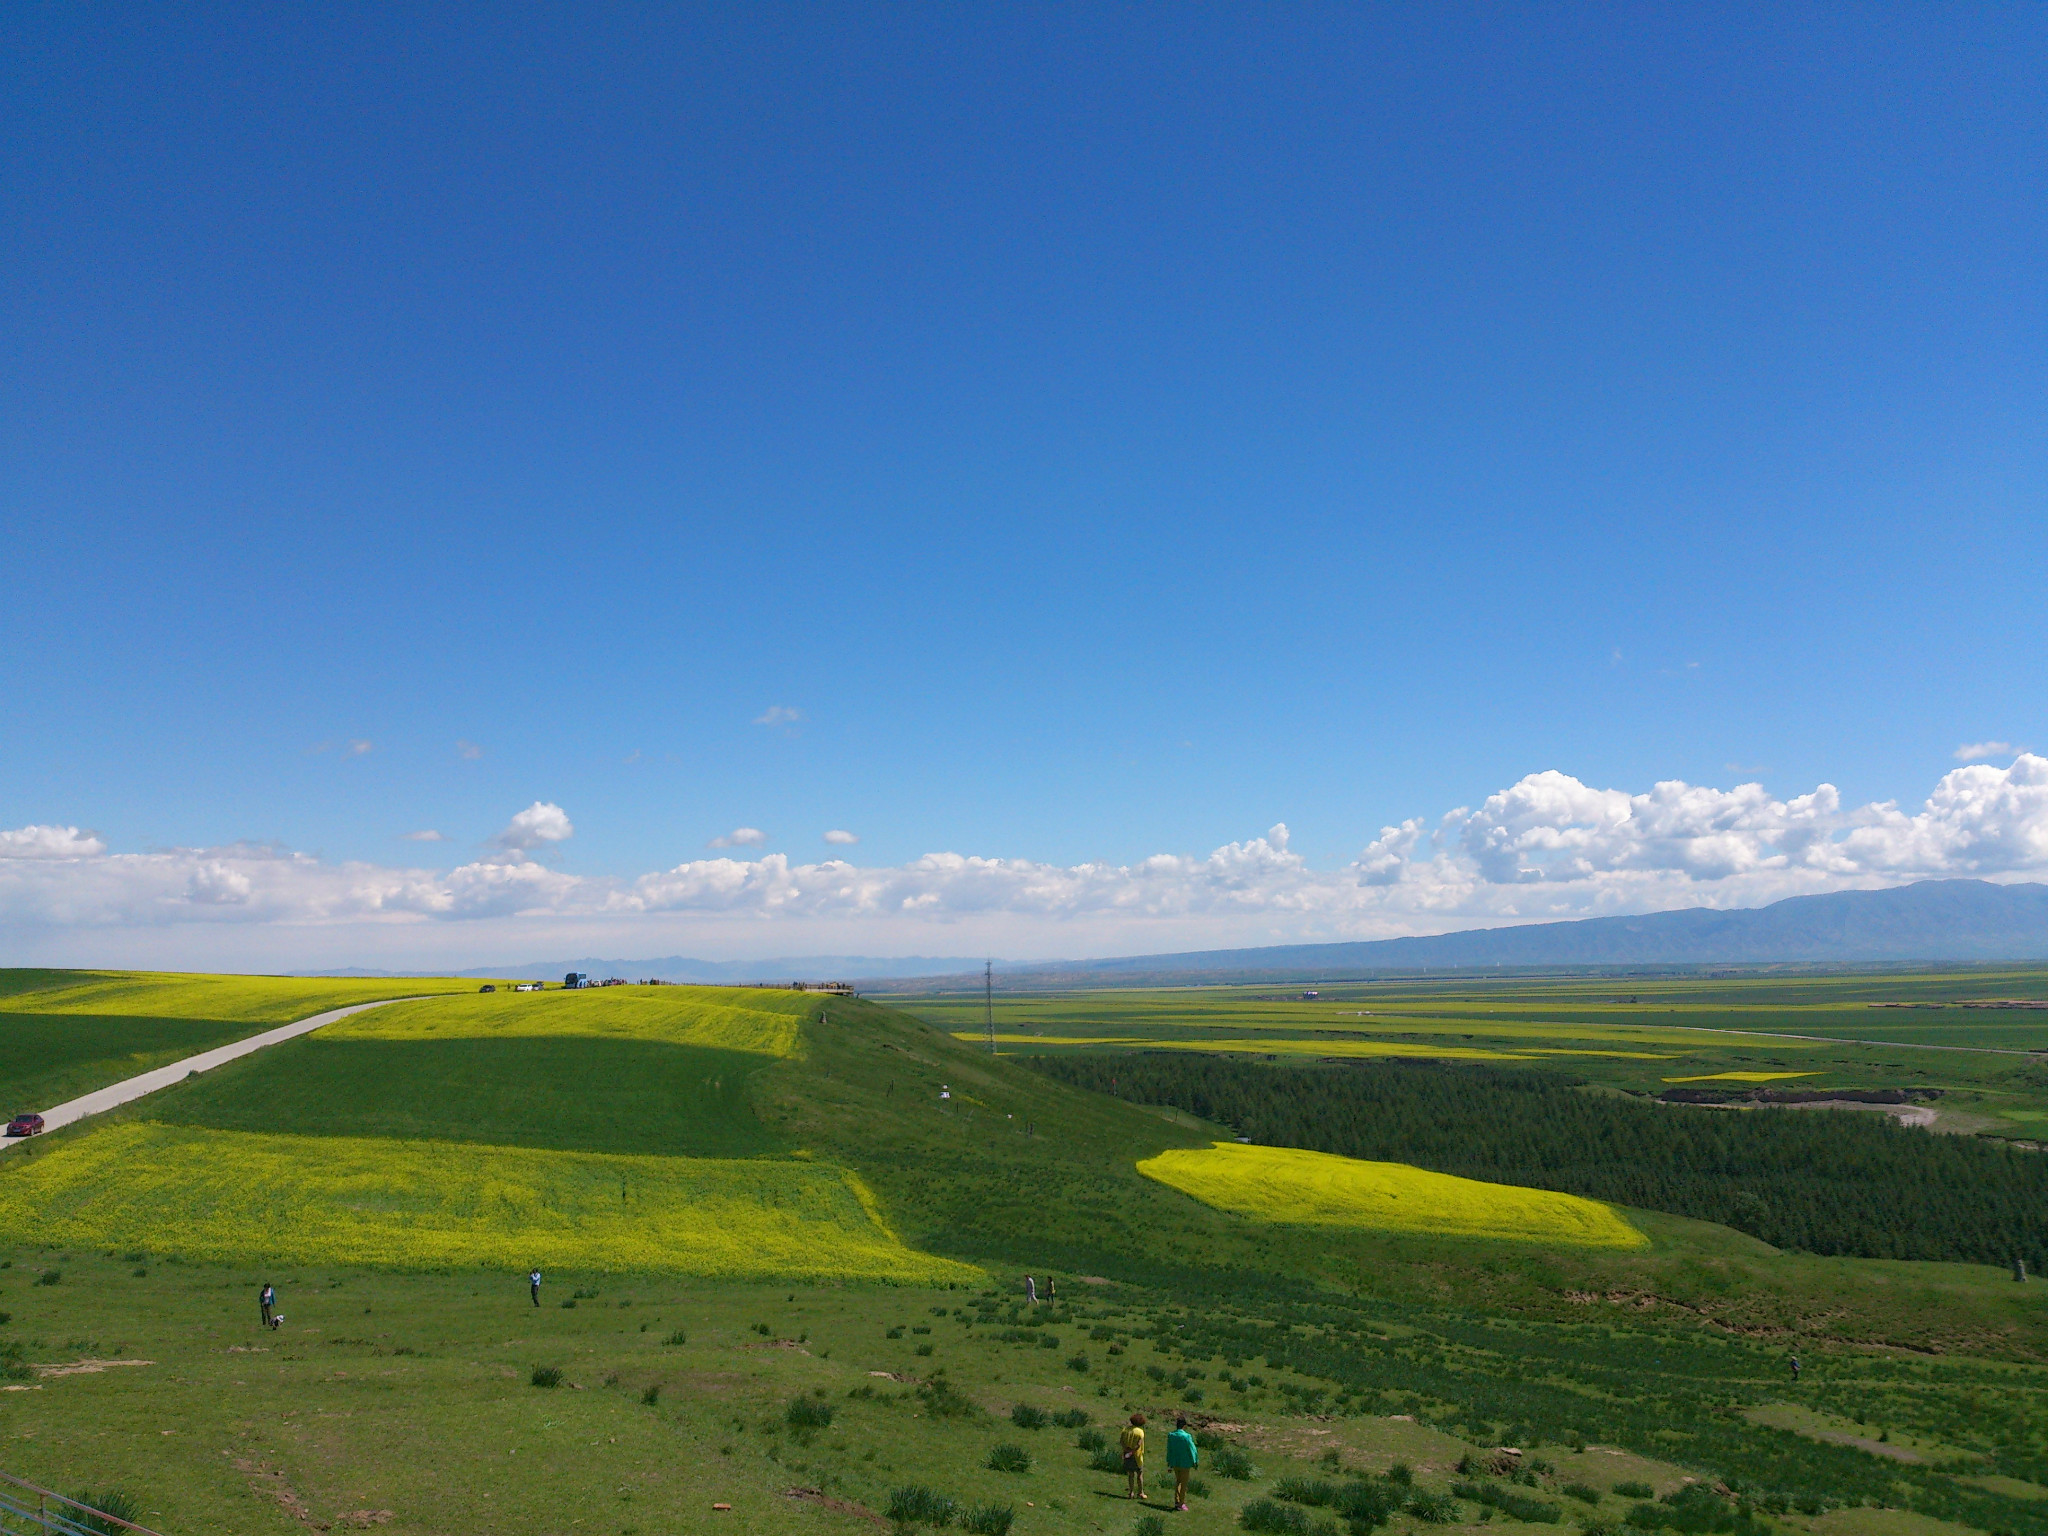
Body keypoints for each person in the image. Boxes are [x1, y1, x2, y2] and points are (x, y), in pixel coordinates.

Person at [1166, 1415, 1199, 1511]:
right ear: (1184, 1426)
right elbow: (1192, 1449)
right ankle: (1181, 1503)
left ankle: (1177, 1501)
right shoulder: (1187, 1436)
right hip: (1185, 1463)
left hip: (1175, 1462)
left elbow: (1169, 1449)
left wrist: (1169, 1461)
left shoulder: (1171, 1435)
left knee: (1178, 1481)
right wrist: (1195, 1461)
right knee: (1184, 1483)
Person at [1120, 1412, 1147, 1500]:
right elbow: (1139, 1444)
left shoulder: (1125, 1430)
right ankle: (1140, 1492)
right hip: (1137, 1456)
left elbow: (1121, 1442)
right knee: (1139, 1474)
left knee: (1130, 1474)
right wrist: (1132, 1451)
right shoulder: (1140, 1432)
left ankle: (1131, 1492)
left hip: (1127, 1454)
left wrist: (1126, 1450)